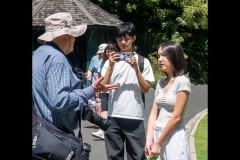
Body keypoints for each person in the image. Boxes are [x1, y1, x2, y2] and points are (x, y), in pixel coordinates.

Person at [32, 12, 119, 136]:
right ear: (66, 36)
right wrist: (91, 89)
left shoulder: (38, 53)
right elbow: (60, 101)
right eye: (73, 35)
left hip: (40, 131)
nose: (74, 39)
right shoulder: (57, 59)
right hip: (57, 134)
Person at [101, 22, 155, 160]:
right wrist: (110, 67)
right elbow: (102, 86)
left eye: (126, 38)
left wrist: (136, 68)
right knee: (113, 156)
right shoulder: (110, 62)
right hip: (114, 116)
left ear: (133, 38)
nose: (123, 42)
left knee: (137, 157)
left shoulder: (143, 61)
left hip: (135, 116)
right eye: (120, 39)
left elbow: (146, 89)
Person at [144, 41, 191, 160]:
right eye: (159, 55)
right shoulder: (160, 83)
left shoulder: (182, 81)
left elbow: (176, 117)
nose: (159, 59)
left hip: (173, 136)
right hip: (157, 134)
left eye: (164, 55)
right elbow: (154, 112)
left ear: (174, 56)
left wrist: (159, 143)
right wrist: (149, 138)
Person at [92, 42, 118, 140]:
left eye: (111, 50)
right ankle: (103, 130)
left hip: (112, 89)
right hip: (104, 88)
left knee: (108, 111)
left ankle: (105, 130)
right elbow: (100, 75)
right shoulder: (102, 61)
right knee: (104, 109)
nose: (109, 52)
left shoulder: (117, 61)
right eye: (107, 50)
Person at [86, 43, 107, 128]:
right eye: (100, 53)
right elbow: (90, 69)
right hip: (96, 83)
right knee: (98, 100)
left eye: (103, 53)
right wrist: (89, 75)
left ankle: (102, 120)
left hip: (106, 83)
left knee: (103, 102)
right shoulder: (94, 59)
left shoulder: (109, 59)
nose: (101, 55)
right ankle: (98, 121)